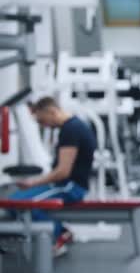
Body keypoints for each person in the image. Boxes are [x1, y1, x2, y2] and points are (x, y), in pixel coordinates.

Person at [9, 97, 97, 256]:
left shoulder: (71, 130)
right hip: (63, 185)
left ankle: (58, 237)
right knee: (14, 199)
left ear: (52, 112)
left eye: (42, 121)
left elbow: (63, 172)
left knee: (21, 203)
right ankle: (62, 231)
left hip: (71, 187)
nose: (44, 126)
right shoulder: (70, 127)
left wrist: (33, 183)